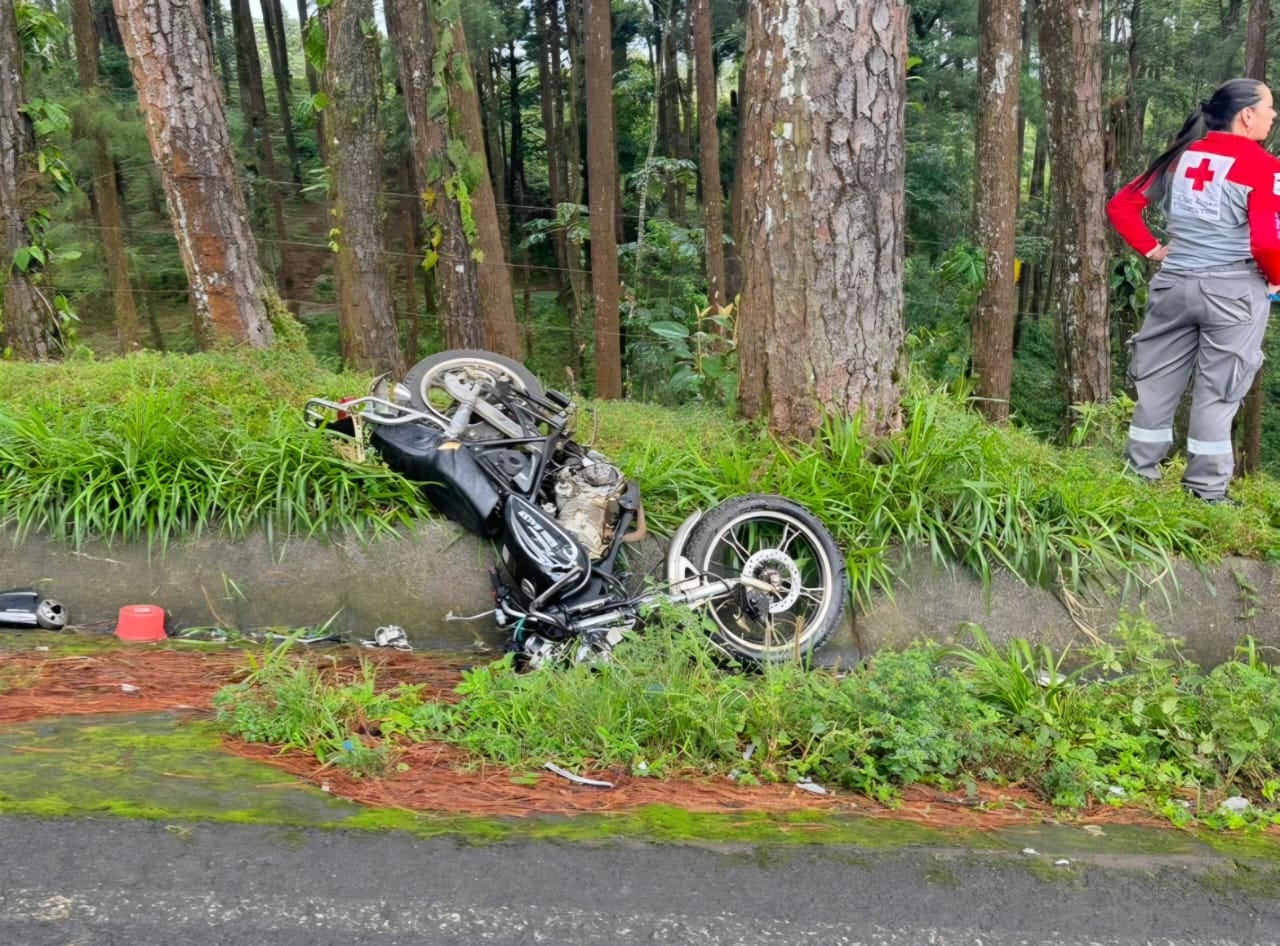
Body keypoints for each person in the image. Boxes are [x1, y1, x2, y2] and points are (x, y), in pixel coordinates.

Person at [1107, 77, 1280, 504]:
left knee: (1157, 382)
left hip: (1173, 285)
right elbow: (1264, 242)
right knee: (1219, 390)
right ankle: (1205, 491)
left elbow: (1121, 206)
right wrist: (1276, 276)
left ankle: (1138, 477)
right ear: (1246, 116)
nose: (1273, 116)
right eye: (1269, 107)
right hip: (1234, 292)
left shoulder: (1180, 158)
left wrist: (1152, 249)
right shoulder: (1264, 166)